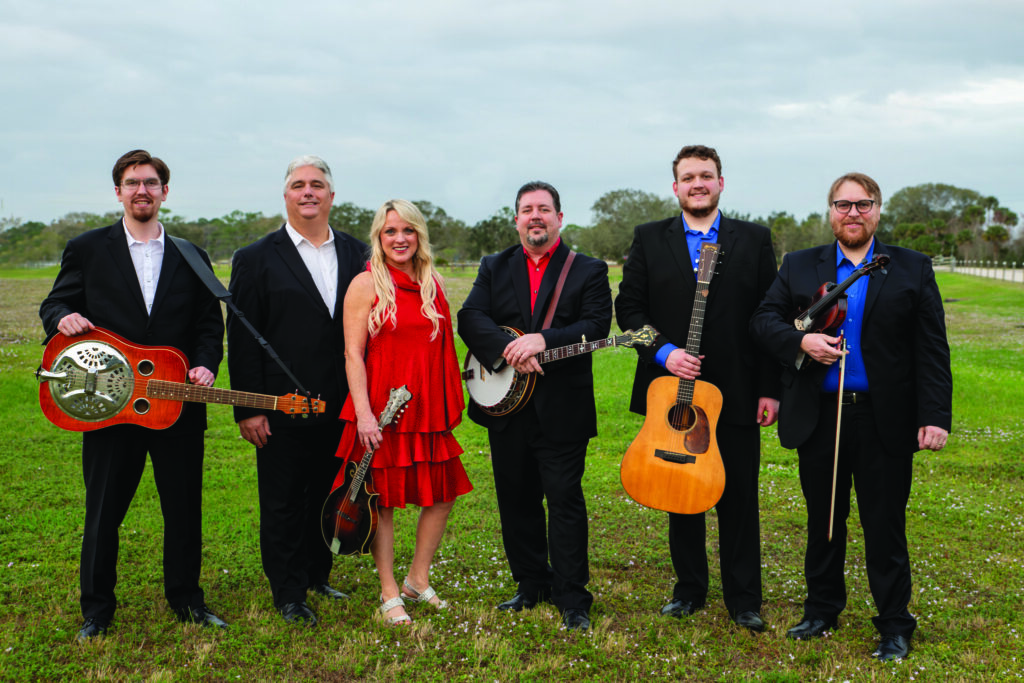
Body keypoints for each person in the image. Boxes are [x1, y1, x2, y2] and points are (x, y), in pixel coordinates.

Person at [749, 172, 952, 661]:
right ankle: (821, 610)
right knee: (825, 521)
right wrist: (803, 340)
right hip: (821, 414)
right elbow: (762, 321)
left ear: (878, 211)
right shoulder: (799, 265)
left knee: (884, 525)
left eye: (864, 204)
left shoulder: (911, 267)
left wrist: (935, 415)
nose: (853, 213)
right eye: (843, 205)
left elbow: (931, 349)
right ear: (831, 211)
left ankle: (894, 625)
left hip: (885, 418)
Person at [39, 149, 227, 642]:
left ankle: (187, 600)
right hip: (109, 405)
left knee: (184, 508)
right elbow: (56, 301)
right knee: (103, 512)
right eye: (131, 182)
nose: (141, 190)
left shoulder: (191, 253)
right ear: (118, 191)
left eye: (150, 182)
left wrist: (207, 362)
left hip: (175, 400)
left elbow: (210, 323)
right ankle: (97, 611)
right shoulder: (87, 248)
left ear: (165, 191)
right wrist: (62, 318)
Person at [615, 145, 780, 633]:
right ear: (676, 188)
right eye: (688, 177)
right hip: (672, 394)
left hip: (738, 390)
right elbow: (629, 313)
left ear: (721, 183)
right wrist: (664, 354)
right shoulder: (649, 239)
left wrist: (770, 389)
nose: (697, 184)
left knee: (738, 494)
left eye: (706, 176)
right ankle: (688, 590)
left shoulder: (752, 239)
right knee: (678, 487)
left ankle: (744, 598)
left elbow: (770, 317)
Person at [458, 181, 612, 632]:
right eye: (527, 210)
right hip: (505, 406)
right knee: (516, 500)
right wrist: (509, 350)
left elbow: (597, 324)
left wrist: (543, 340)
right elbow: (471, 318)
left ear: (559, 218)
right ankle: (530, 583)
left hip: (561, 408)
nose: (535, 217)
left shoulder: (587, 269)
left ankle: (572, 597)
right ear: (517, 220)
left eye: (544, 209)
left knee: (565, 501)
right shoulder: (494, 265)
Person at [227, 155, 368, 626]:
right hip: (280, 406)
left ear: (332, 195)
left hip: (345, 402)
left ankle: (316, 573)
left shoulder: (358, 254)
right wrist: (248, 407)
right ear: (285, 195)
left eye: (317, 184)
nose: (308, 191)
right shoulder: (254, 258)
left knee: (327, 491)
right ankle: (288, 591)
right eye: (298, 184)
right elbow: (243, 337)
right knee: (284, 499)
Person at [332, 199, 472, 625]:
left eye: (408, 231)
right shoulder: (366, 284)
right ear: (379, 236)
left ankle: (418, 578)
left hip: (425, 409)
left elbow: (443, 350)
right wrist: (363, 415)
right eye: (391, 231)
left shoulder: (436, 283)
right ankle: (389, 591)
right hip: (381, 410)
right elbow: (352, 356)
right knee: (383, 501)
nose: (399, 239)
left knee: (443, 495)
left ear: (419, 236)